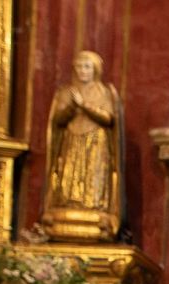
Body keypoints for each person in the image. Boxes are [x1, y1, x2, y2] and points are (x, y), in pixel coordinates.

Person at [42, 50, 123, 242]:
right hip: (71, 140)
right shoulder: (65, 92)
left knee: (91, 177)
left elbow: (108, 118)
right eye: (79, 66)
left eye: (87, 66)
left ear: (95, 69)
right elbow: (58, 120)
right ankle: (69, 204)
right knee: (70, 177)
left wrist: (84, 105)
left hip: (96, 143)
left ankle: (94, 205)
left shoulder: (104, 92)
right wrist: (71, 107)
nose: (82, 71)